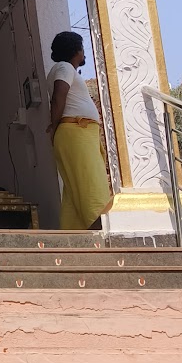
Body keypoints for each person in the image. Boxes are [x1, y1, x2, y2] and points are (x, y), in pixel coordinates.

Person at [46, 30, 114, 230]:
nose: (84, 53)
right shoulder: (65, 67)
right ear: (76, 50)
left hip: (79, 132)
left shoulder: (64, 69)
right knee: (91, 183)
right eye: (82, 48)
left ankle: (76, 232)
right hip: (76, 130)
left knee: (76, 189)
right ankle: (103, 231)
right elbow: (59, 97)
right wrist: (54, 126)